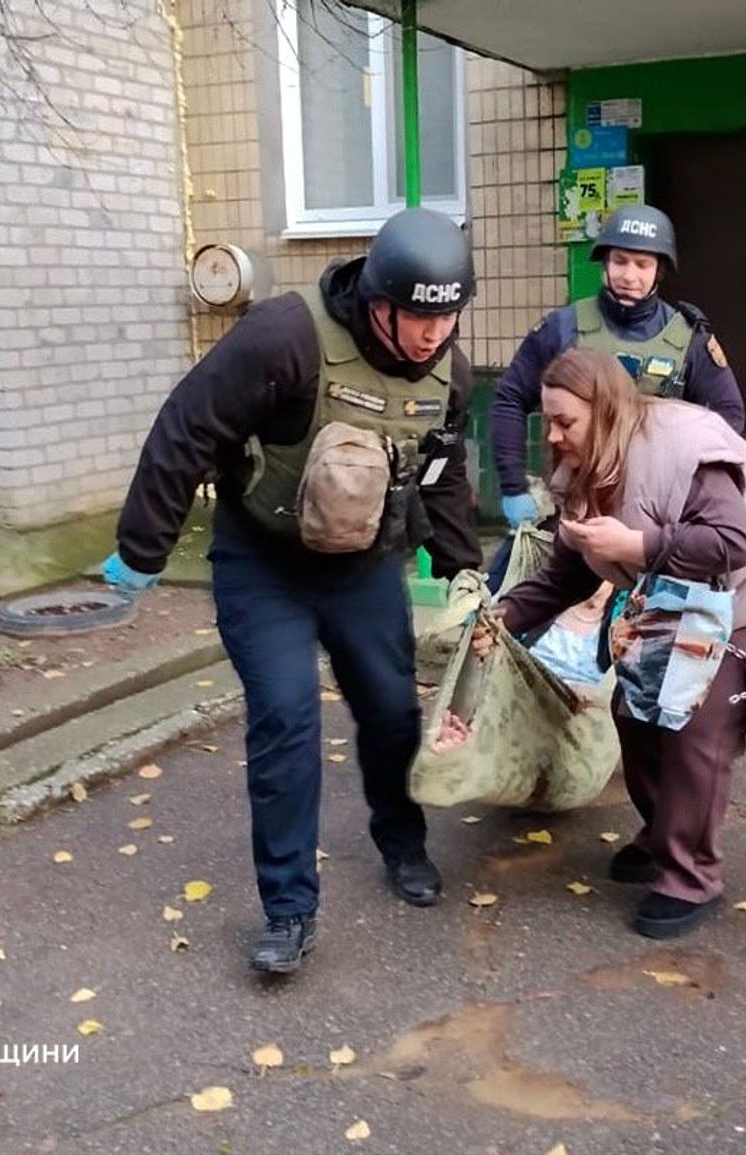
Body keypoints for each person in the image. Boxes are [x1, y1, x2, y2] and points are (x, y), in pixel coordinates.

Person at [99, 208, 483, 976]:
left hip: (366, 568)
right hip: (264, 561)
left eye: (446, 317)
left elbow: (439, 468)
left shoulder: (450, 373)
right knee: (285, 718)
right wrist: (141, 549)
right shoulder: (286, 336)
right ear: (378, 301)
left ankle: (402, 844)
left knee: (388, 710)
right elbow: (188, 425)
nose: (432, 335)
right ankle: (289, 908)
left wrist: (459, 560)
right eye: (417, 317)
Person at [475, 348, 746, 940]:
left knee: (698, 719)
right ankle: (666, 831)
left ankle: (691, 876)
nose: (557, 437)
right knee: (637, 708)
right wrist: (503, 618)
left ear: (607, 410)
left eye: (568, 422)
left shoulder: (679, 444)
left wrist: (636, 546)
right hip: (691, 598)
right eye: (551, 422)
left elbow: (734, 541)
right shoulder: (583, 466)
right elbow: (571, 571)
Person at [489, 204, 745, 539]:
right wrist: (513, 486)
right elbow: (509, 399)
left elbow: (729, 416)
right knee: (512, 586)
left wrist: (690, 482)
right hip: (574, 500)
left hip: (655, 509)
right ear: (604, 263)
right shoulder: (562, 327)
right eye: (620, 261)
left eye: (643, 264)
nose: (629, 275)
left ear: (660, 271)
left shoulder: (689, 339)